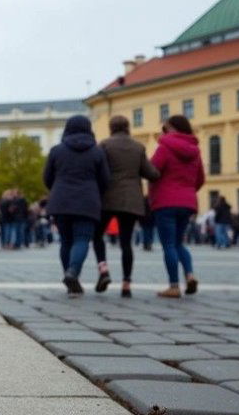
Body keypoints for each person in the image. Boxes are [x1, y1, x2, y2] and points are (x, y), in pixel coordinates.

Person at [91, 115, 160, 297]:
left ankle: (103, 269)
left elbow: (97, 170)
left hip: (107, 198)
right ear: (128, 127)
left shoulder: (104, 145)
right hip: (131, 199)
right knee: (126, 243)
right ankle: (126, 283)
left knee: (97, 236)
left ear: (111, 127)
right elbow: (151, 173)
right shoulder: (138, 147)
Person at [44, 116, 110, 297]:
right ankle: (72, 272)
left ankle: (70, 278)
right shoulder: (97, 152)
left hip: (61, 202)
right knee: (82, 240)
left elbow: (47, 178)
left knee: (65, 241)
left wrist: (58, 189)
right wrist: (96, 192)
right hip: (87, 202)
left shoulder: (56, 151)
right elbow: (105, 180)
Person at [149, 115, 205, 298]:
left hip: (165, 202)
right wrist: (187, 191)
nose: (163, 133)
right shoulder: (195, 150)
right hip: (187, 203)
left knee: (168, 245)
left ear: (172, 128)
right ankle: (189, 275)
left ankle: (174, 286)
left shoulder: (164, 148)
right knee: (179, 243)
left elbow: (153, 171)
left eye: (165, 129)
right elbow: (200, 179)